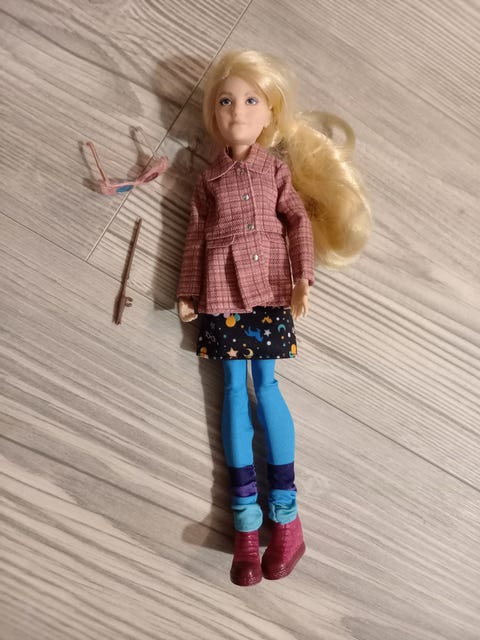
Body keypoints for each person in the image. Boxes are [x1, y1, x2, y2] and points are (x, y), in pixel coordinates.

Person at [177, 50, 371, 586]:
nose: (236, 111)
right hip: (221, 292)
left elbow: (297, 223)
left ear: (269, 114)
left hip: (268, 288)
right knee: (232, 391)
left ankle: (287, 519)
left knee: (267, 387)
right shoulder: (208, 179)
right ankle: (245, 525)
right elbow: (195, 235)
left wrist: (303, 277)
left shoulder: (275, 170)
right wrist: (189, 289)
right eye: (225, 101)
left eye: (250, 101)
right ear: (213, 114)